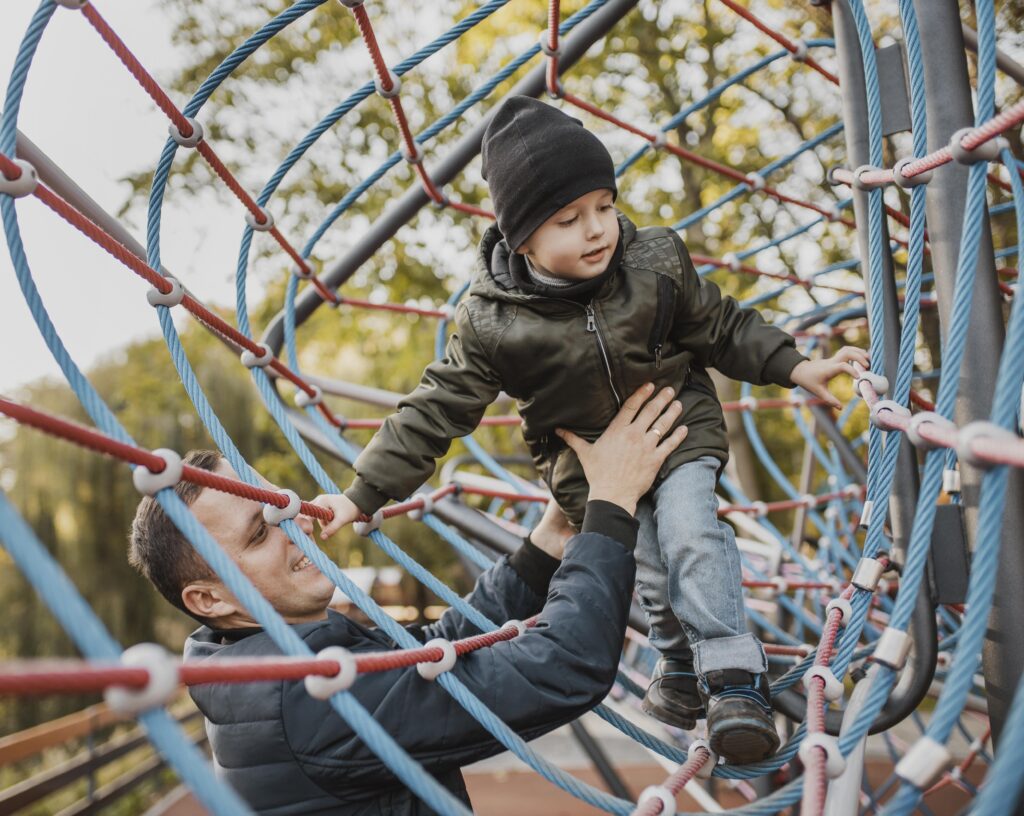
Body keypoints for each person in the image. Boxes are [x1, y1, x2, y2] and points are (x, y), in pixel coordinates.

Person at [319, 95, 870, 765]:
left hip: (676, 432)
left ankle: (733, 681)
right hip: (591, 474)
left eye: (605, 206)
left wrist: (795, 365)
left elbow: (720, 326)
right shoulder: (493, 322)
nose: (598, 229)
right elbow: (437, 407)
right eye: (569, 219)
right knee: (654, 575)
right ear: (523, 240)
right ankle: (677, 666)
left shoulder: (655, 263)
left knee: (693, 535)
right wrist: (361, 494)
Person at [128, 384, 686, 815]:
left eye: (278, 509)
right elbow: (565, 664)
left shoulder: (275, 664)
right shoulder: (301, 702)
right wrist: (613, 501)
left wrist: (545, 548)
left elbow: (429, 654)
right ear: (208, 599)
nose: (293, 527)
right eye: (259, 533)